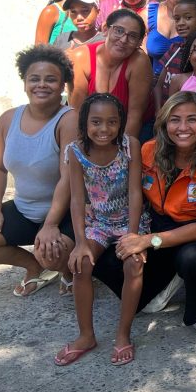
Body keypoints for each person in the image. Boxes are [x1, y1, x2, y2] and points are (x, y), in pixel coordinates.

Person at [97, 91, 196, 330]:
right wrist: (134, 237)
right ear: (165, 122)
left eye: (192, 119)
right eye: (175, 119)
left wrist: (148, 241)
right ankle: (168, 278)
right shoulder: (148, 150)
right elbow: (133, 196)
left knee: (192, 259)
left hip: (193, 235)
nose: (183, 127)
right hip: (156, 223)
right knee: (108, 261)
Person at [0, 45, 77, 296]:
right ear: (24, 83)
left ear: (62, 85)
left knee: (50, 252)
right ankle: (34, 267)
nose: (41, 85)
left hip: (66, 213)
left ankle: (67, 270)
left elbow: (68, 179)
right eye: (34, 79)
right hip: (25, 209)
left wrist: (51, 224)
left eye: (51, 79)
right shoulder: (7, 119)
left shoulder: (69, 120)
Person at [55, 93, 151, 367]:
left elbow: (135, 193)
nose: (104, 129)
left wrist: (133, 236)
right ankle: (86, 336)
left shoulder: (129, 145)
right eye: (96, 122)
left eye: (111, 122)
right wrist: (80, 242)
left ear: (120, 124)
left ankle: (123, 335)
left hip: (129, 222)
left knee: (134, 264)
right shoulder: (75, 151)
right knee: (81, 265)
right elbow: (76, 199)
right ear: (84, 123)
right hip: (97, 222)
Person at [68, 8, 153, 139]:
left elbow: (134, 117)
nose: (124, 40)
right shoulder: (80, 57)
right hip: (93, 129)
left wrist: (122, 155)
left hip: (132, 129)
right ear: (105, 29)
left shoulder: (139, 61)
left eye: (132, 36)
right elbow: (77, 113)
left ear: (139, 42)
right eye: (119, 31)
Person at [154, 0, 196, 109]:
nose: (180, 23)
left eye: (188, 18)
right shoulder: (175, 48)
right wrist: (159, 111)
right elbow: (159, 85)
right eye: (177, 19)